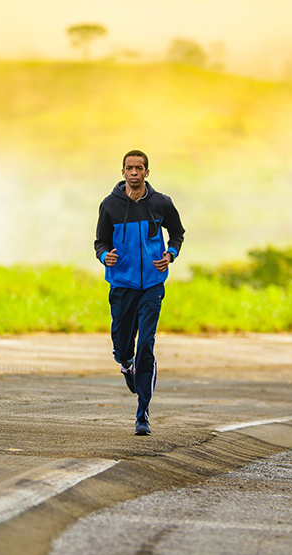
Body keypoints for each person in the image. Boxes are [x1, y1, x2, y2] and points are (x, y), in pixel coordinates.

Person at [94, 150, 185, 436]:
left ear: (147, 172)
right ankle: (126, 363)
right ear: (123, 172)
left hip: (152, 285)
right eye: (129, 168)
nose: (134, 173)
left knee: (146, 342)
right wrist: (104, 255)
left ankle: (143, 412)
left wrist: (170, 254)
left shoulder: (161, 203)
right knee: (123, 347)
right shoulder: (110, 206)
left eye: (139, 168)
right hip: (122, 285)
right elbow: (100, 242)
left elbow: (178, 233)